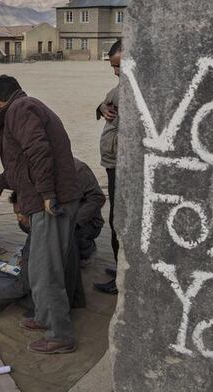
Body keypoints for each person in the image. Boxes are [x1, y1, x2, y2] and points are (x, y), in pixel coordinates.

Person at [0, 75, 81, 355]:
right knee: (39, 267)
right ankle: (45, 317)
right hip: (44, 199)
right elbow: (20, 163)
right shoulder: (26, 108)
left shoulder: (20, 109)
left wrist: (48, 194)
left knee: (47, 269)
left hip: (50, 202)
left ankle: (60, 335)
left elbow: (38, 151)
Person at [0, 191, 85, 317]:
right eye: (16, 213)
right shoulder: (60, 225)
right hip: (69, 294)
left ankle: (39, 311)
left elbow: (23, 286)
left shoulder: (40, 235)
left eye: (21, 213)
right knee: (6, 266)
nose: (18, 218)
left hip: (47, 301)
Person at [0, 156, 105, 266]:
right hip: (55, 214)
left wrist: (71, 222)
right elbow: (20, 179)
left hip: (84, 221)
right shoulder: (38, 165)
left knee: (70, 240)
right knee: (27, 222)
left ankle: (85, 250)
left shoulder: (77, 170)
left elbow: (97, 198)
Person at [94, 41, 122, 295]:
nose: (116, 71)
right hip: (113, 163)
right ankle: (121, 267)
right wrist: (101, 108)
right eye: (113, 66)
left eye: (119, 66)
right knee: (115, 218)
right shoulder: (120, 88)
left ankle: (122, 277)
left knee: (119, 221)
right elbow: (104, 103)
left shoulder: (136, 89)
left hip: (123, 167)